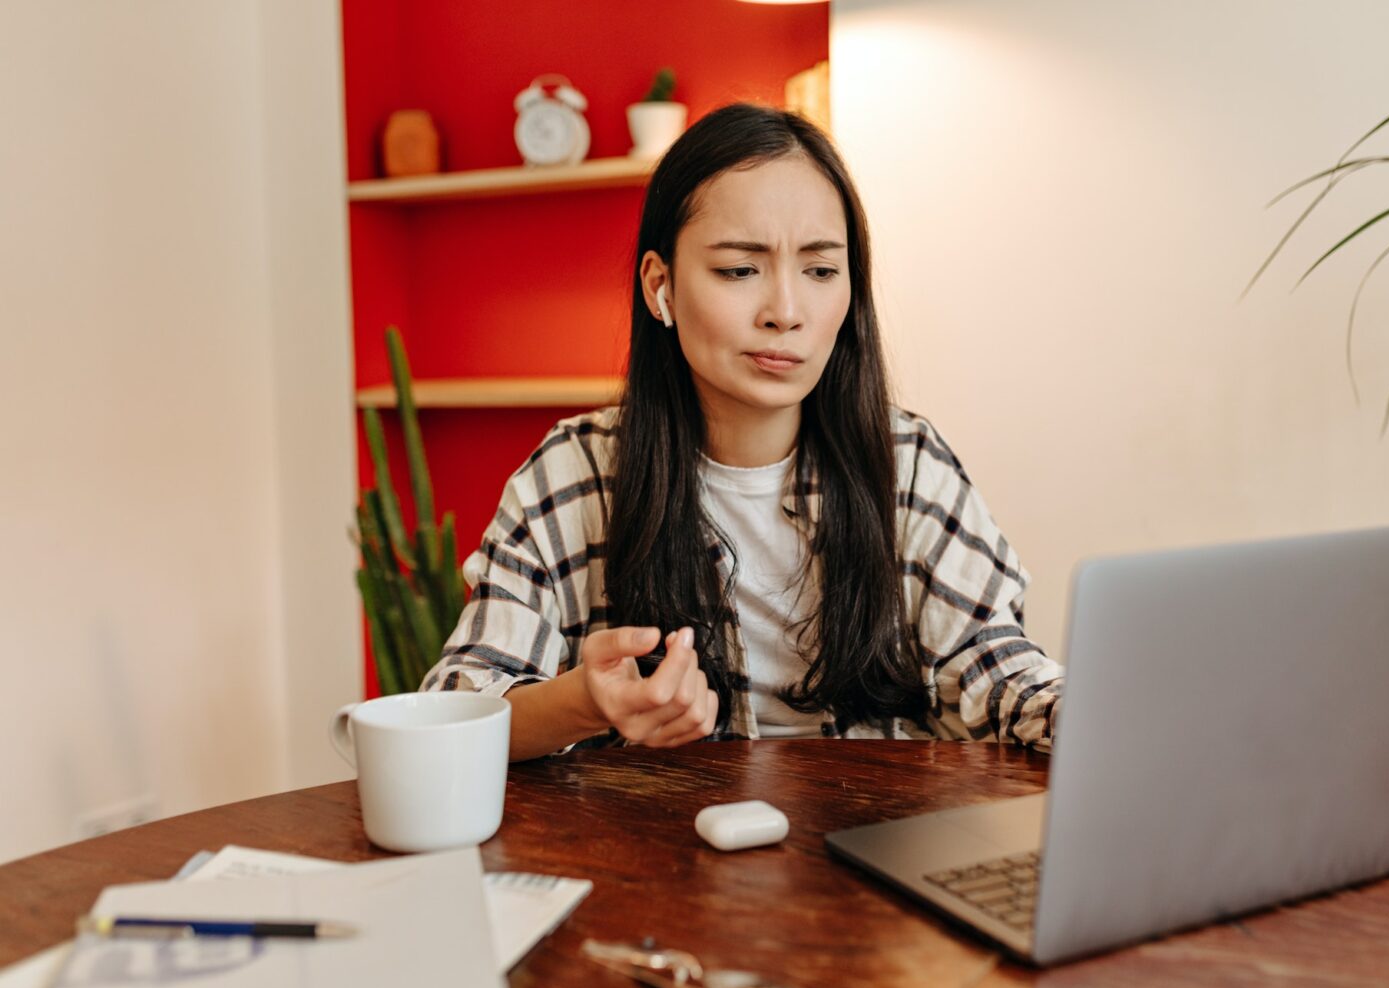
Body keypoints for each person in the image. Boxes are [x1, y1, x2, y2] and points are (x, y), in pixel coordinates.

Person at [421, 103, 1063, 762]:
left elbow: (997, 666)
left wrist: (1076, 713)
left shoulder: (907, 463)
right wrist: (583, 701)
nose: (786, 313)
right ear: (659, 285)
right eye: (739, 270)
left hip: (870, 843)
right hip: (656, 853)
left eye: (820, 271)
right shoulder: (572, 474)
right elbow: (457, 708)